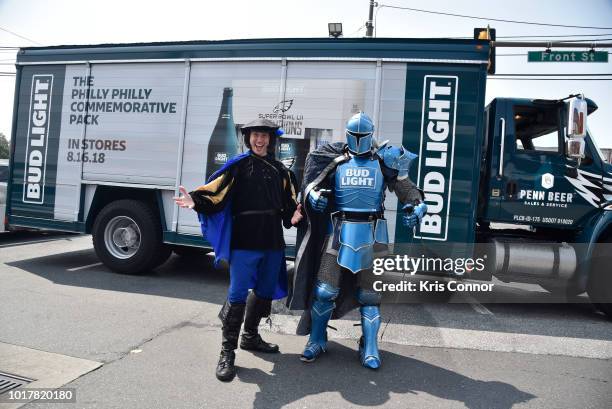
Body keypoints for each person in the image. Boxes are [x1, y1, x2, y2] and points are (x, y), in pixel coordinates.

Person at [287, 112, 426, 369]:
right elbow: (311, 184)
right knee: (325, 290)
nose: (359, 140)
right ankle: (317, 338)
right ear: (348, 135)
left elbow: (406, 188)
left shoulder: (384, 160)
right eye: (355, 135)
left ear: (371, 134)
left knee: (370, 295)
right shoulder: (335, 159)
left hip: (374, 233)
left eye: (364, 135)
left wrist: (417, 206)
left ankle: (370, 345)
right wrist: (313, 195)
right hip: (338, 230)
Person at [174, 118, 303, 382]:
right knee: (237, 295)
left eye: (265, 136)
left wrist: (294, 216)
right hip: (244, 241)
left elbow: (289, 208)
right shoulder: (238, 167)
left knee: (266, 291)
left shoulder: (282, 172)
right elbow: (215, 192)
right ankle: (226, 352)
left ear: (271, 140)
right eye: (256, 135)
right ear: (249, 138)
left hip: (272, 242)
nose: (260, 140)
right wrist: (195, 201)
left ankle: (250, 336)